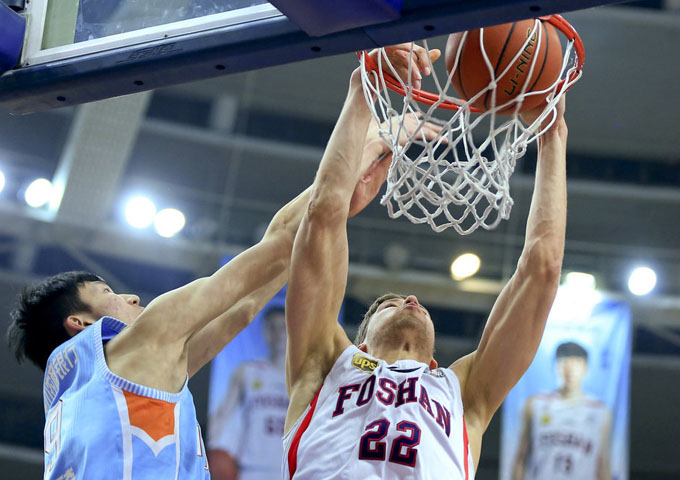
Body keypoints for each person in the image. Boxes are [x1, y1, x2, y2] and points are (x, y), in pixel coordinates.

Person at [5, 107, 395, 479]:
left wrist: (333, 204)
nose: (132, 299)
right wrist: (356, 153)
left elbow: (245, 308)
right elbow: (280, 242)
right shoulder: (140, 344)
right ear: (80, 322)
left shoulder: (78, 394)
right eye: (108, 292)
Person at [282, 44, 568, 478]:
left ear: (435, 364)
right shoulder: (326, 364)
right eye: (387, 304)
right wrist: (363, 86)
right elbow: (323, 213)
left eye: (406, 300)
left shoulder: (463, 392)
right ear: (360, 347)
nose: (411, 298)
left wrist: (553, 137)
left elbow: (542, 269)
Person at [207, 306, 289, 480]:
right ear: (265, 332)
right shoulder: (247, 371)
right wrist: (211, 453)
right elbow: (221, 416)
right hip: (251, 469)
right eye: (272, 327)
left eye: (283, 327)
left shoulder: (303, 378)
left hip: (289, 471)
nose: (278, 333)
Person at [512, 341, 612, 480]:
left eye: (576, 363)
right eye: (564, 362)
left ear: (586, 369)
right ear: (555, 366)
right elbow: (521, 458)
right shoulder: (535, 404)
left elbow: (602, 464)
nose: (570, 370)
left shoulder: (600, 411)